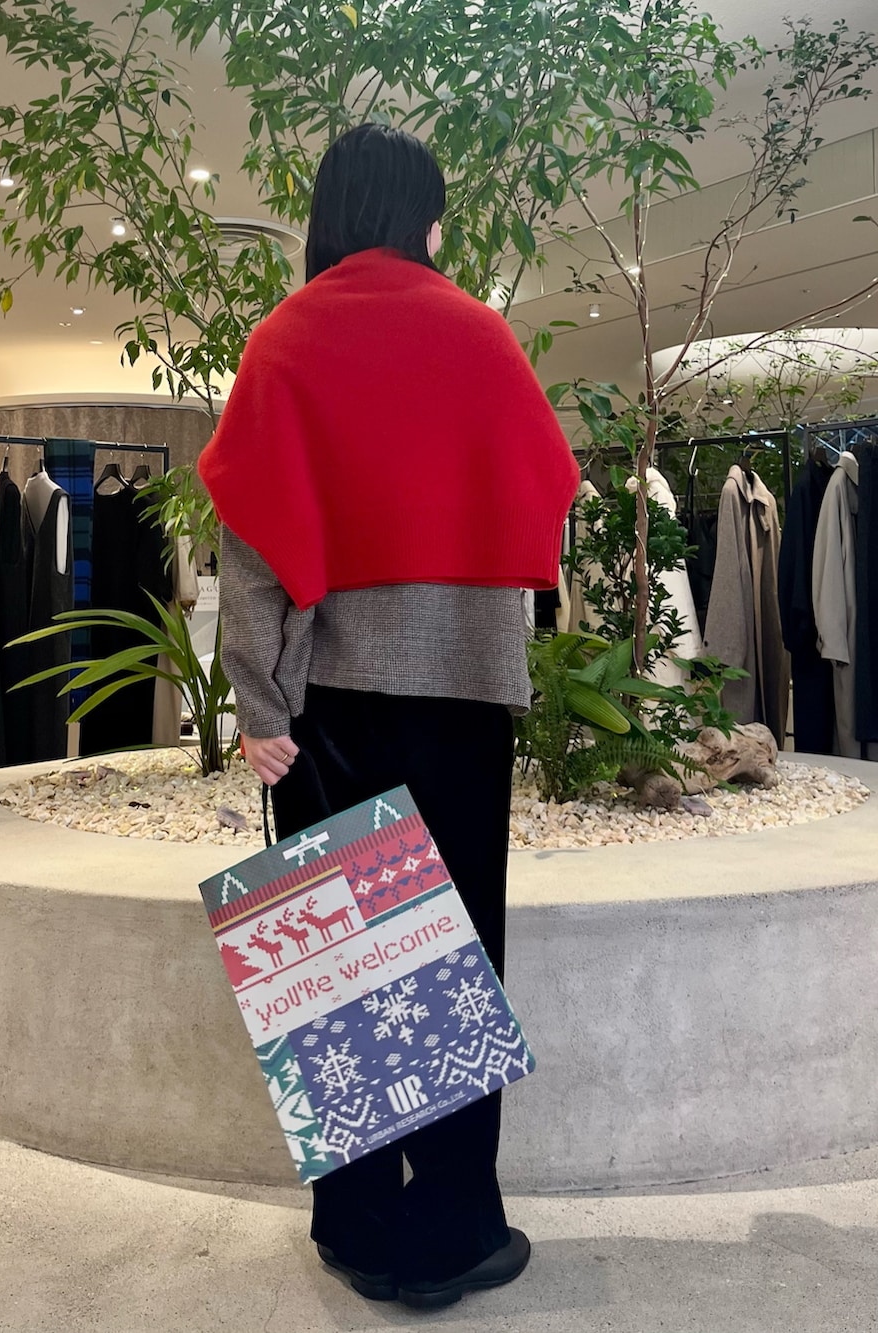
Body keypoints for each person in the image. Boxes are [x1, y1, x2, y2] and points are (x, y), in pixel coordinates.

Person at [198, 123, 578, 1311]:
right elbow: (550, 485)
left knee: (344, 963)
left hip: (335, 698)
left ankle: (362, 1227)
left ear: (328, 215)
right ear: (419, 216)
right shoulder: (479, 333)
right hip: (464, 697)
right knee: (455, 952)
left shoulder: (288, 337)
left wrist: (260, 701)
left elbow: (253, 538)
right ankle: (457, 1224)